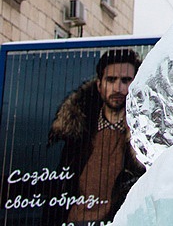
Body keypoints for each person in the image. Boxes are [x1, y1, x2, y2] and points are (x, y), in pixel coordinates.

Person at [45, 49, 146, 226]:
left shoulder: (144, 138)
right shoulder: (77, 134)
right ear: (99, 86)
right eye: (111, 80)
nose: (118, 88)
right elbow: (57, 191)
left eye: (125, 80)